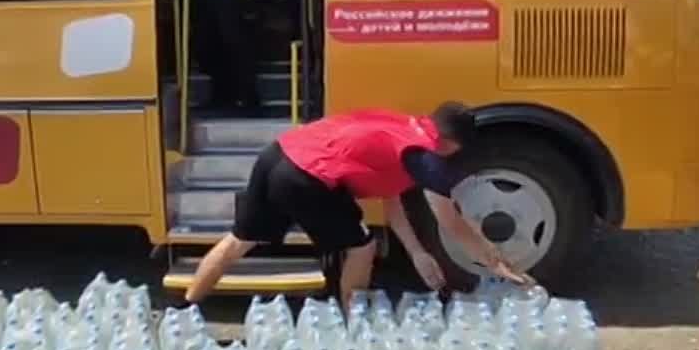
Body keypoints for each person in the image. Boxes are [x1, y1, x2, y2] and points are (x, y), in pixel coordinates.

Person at [183, 102, 533, 308]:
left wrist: (416, 253)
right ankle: (355, 329)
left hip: (278, 153)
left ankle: (185, 310)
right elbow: (450, 220)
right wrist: (494, 258)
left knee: (236, 242)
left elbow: (390, 194)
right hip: (307, 177)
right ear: (449, 142)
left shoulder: (402, 128)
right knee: (362, 248)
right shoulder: (424, 156)